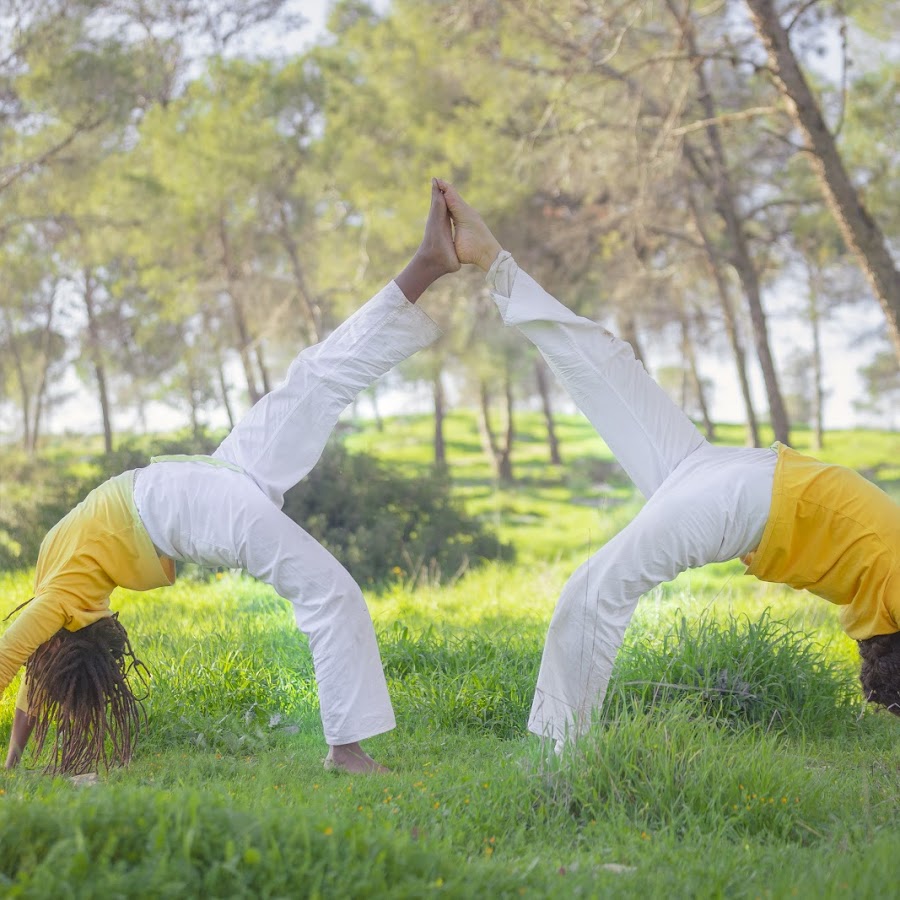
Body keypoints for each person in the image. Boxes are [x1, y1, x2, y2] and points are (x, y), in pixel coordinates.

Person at [1, 179, 461, 775]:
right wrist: (12, 760)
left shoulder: (57, 603)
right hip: (193, 483)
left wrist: (13, 759)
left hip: (193, 505)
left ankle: (345, 752)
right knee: (314, 381)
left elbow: (14, 657)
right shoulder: (52, 581)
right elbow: (30, 674)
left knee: (330, 591)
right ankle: (426, 266)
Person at [436, 178, 900, 746]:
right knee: (593, 592)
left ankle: (560, 754)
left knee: (606, 367)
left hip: (742, 477)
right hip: (745, 496)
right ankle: (559, 762)